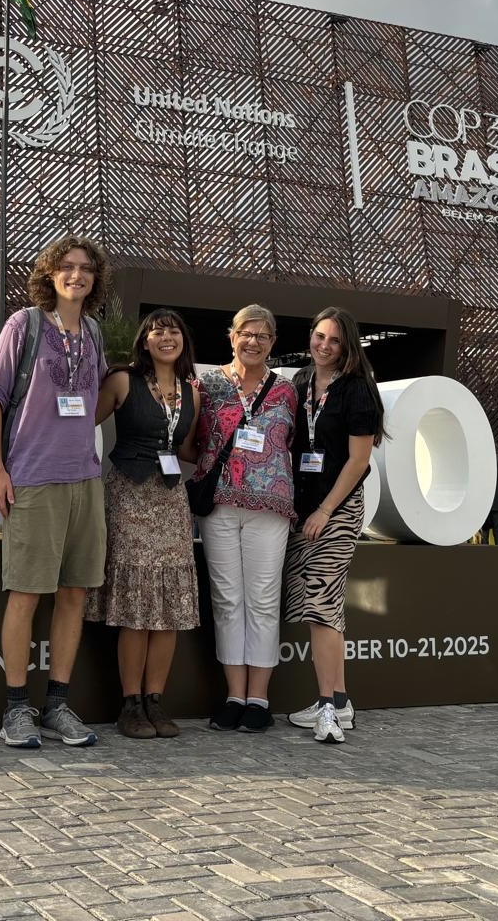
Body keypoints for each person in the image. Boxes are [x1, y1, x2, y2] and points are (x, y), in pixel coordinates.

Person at [0, 234, 108, 749]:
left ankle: (56, 703)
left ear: (95, 280)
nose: (76, 275)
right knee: (27, 593)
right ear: (50, 275)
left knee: (74, 593)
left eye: (85, 269)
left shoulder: (94, 332)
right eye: (67, 267)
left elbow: (93, 397)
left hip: (85, 479)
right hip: (31, 477)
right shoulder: (25, 324)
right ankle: (16, 707)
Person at [85, 308, 201, 740]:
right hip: (129, 495)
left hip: (171, 499)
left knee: (167, 608)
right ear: (144, 341)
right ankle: (130, 704)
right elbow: (81, 426)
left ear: (183, 340)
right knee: (137, 607)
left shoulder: (193, 391)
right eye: (156, 330)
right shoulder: (121, 380)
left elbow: (188, 447)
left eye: (173, 329)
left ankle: (155, 700)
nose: (166, 336)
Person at [189, 304, 297, 734]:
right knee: (228, 598)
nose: (253, 342)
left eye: (263, 336)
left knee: (264, 599)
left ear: (272, 343)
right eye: (245, 333)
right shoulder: (207, 384)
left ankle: (260, 698)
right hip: (218, 505)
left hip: (270, 507)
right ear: (231, 336)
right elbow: (191, 439)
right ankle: (235, 695)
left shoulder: (288, 390)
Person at [284, 306, 384, 745]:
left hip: (337, 510)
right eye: (319, 336)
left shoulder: (358, 389)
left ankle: (327, 708)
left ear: (348, 346)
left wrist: (326, 510)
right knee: (324, 603)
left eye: (334, 340)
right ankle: (340, 700)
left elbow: (359, 460)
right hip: (303, 509)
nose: (324, 345)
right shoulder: (301, 383)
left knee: (321, 601)